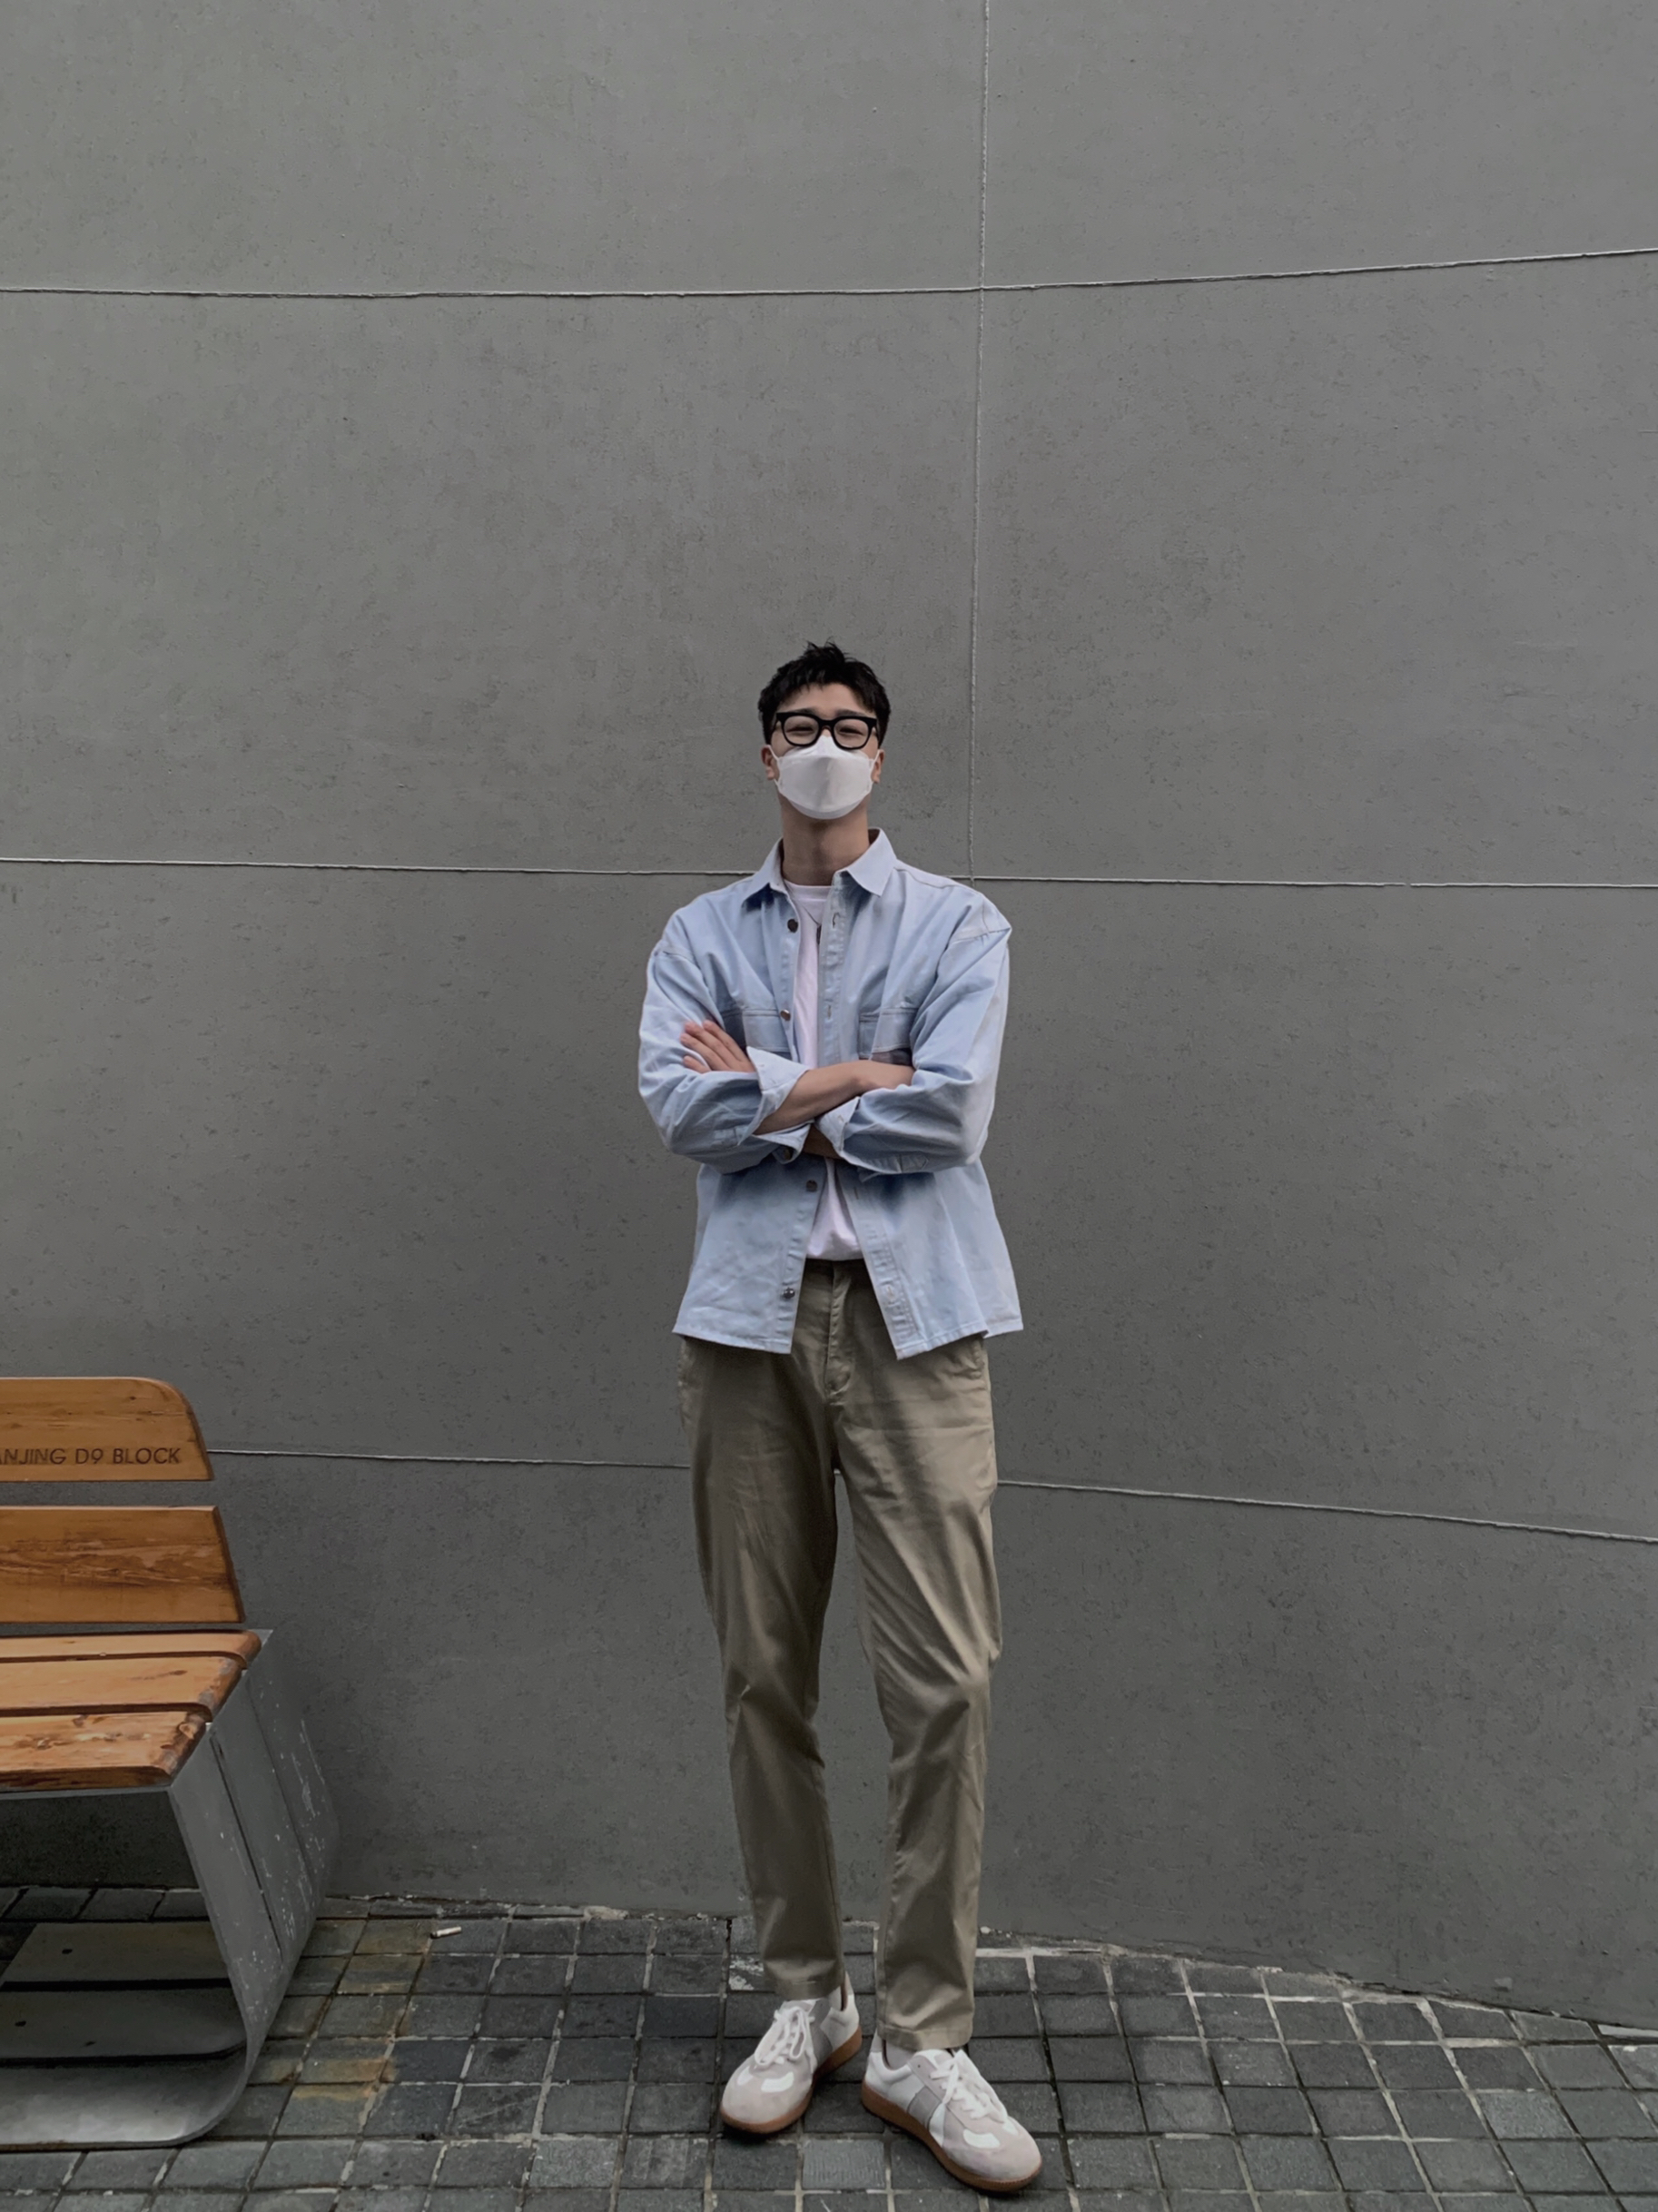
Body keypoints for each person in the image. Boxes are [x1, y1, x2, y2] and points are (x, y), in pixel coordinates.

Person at [637, 642, 1036, 2193]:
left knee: (947, 1682)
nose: (825, 747)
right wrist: (850, 1075)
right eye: (800, 726)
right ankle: (808, 1999)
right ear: (763, 754)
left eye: (850, 727)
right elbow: (678, 1109)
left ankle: (925, 2038)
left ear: (882, 754)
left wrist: (770, 1086)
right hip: (745, 1327)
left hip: (916, 1320)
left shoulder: (959, 923)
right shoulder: (695, 934)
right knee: (763, 1677)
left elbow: (951, 1109)